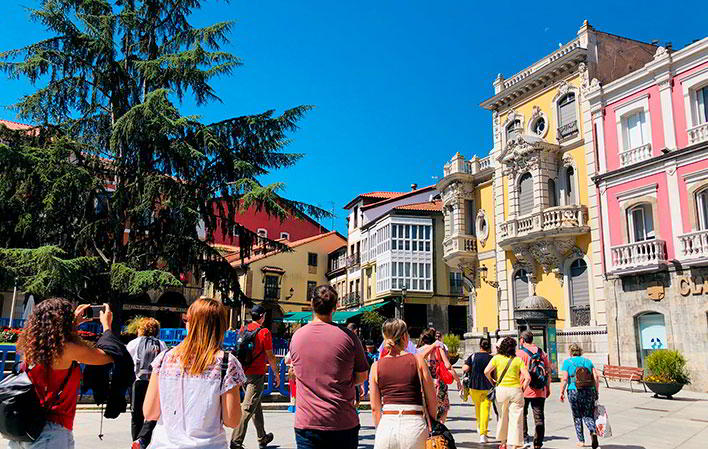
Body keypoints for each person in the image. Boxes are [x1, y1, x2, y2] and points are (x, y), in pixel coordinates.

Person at [11, 298, 117, 449]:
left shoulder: (32, 346)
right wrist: (107, 326)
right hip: (50, 432)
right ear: (64, 321)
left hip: (23, 429)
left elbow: (54, 336)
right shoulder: (66, 349)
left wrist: (73, 324)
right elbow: (107, 357)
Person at [143, 297, 245, 448]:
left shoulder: (164, 358)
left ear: (190, 323)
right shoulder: (227, 363)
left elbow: (150, 412)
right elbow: (232, 420)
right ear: (220, 327)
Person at [289, 285, 369, 449]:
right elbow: (362, 375)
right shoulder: (349, 338)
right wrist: (344, 380)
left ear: (312, 303)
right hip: (342, 421)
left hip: (308, 422)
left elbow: (296, 371)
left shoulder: (297, 337)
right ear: (335, 307)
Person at [370, 319, 437, 449]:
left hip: (387, 426)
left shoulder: (376, 366)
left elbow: (375, 409)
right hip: (414, 425)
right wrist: (431, 424)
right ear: (405, 336)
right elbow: (432, 400)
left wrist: (380, 429)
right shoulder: (417, 360)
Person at [231, 304, 280, 449]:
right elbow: (270, 356)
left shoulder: (243, 329)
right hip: (256, 374)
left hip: (243, 372)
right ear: (262, 317)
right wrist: (276, 373)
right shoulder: (264, 332)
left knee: (255, 405)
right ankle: (236, 442)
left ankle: (262, 437)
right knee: (247, 408)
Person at [127, 317, 167, 449]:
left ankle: (136, 440)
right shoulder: (161, 344)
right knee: (153, 413)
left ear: (141, 329)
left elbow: (127, 361)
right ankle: (143, 439)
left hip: (137, 382)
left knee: (136, 414)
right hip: (154, 383)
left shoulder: (134, 343)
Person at [484, 336, 530, 449]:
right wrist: (523, 388)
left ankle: (503, 442)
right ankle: (515, 444)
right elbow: (528, 378)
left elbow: (486, 371)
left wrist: (492, 381)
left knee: (502, 416)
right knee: (516, 418)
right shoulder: (518, 360)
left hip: (501, 390)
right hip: (515, 390)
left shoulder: (497, 358)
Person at [559, 343, 600, 449]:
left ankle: (581, 441)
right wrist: (596, 391)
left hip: (574, 390)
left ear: (570, 352)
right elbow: (596, 377)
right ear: (580, 351)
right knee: (588, 414)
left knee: (577, 416)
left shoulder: (567, 362)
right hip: (589, 390)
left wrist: (561, 392)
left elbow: (564, 379)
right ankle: (593, 431)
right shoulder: (588, 361)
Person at [417, 328, 462, 423]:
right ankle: (440, 425)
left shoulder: (419, 350)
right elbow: (448, 366)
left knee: (426, 408)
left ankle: (429, 427)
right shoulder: (438, 349)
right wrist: (458, 380)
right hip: (439, 383)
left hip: (424, 383)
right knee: (443, 408)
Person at [516, 331, 551, 449]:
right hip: (540, 389)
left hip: (524, 388)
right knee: (539, 417)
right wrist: (548, 387)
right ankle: (538, 443)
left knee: (522, 415)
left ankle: (524, 438)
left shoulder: (519, 353)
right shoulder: (542, 352)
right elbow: (548, 370)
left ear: (522, 340)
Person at [462, 339, 494, 444]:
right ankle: (483, 434)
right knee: (485, 409)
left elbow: (465, 368)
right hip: (487, 386)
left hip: (474, 386)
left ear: (480, 346)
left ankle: (479, 427)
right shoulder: (491, 358)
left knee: (477, 407)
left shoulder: (473, 356)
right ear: (489, 347)